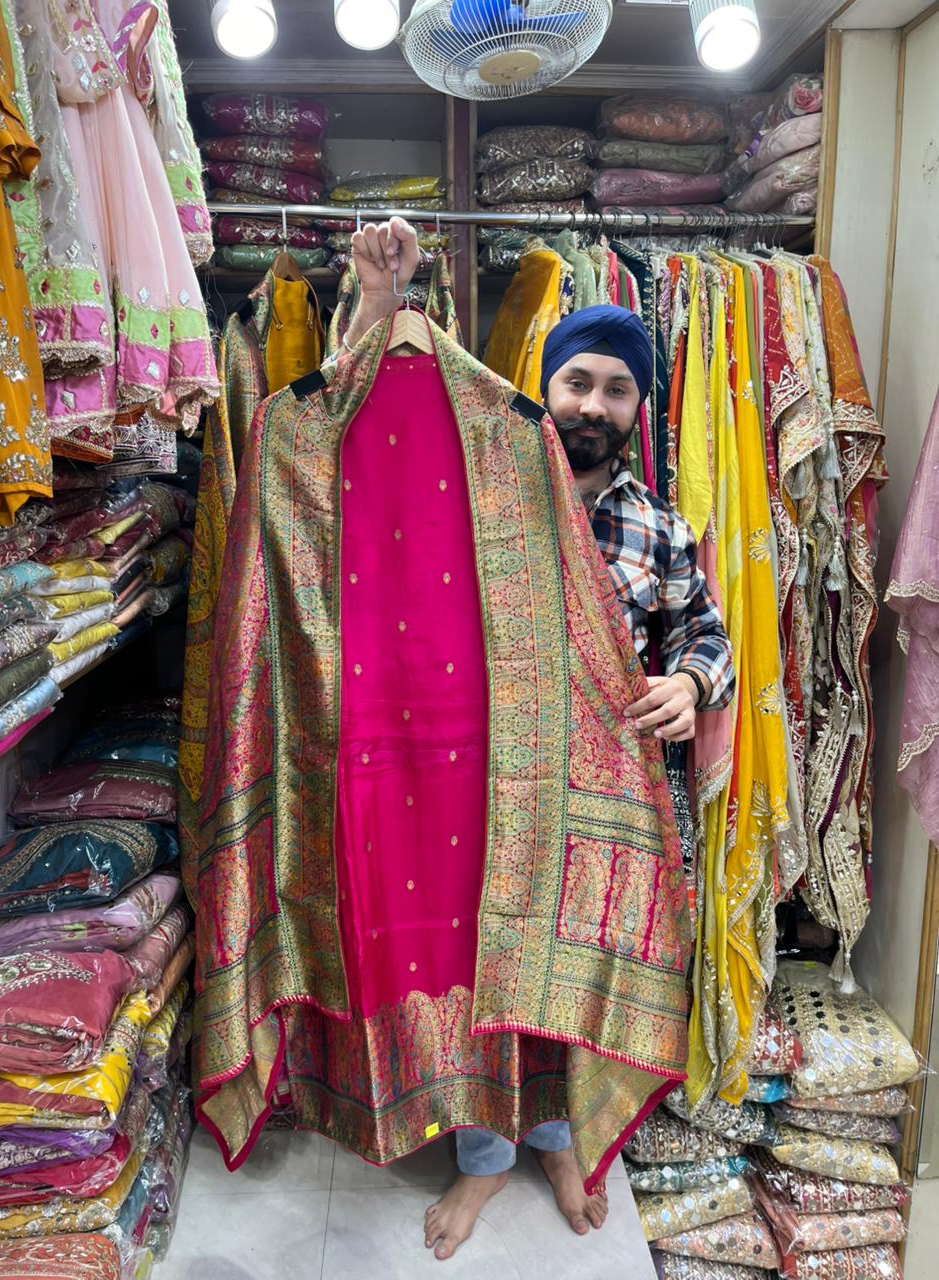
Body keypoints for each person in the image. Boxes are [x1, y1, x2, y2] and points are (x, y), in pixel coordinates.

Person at [336, 216, 735, 1262]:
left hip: (599, 804)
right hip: (483, 790)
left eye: (615, 389)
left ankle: (561, 1143)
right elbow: (368, 441)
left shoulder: (662, 527)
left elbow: (707, 634)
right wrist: (383, 305)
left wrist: (692, 682)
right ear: (545, 387)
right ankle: (481, 1163)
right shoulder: (485, 479)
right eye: (577, 383)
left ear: (640, 407)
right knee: (487, 980)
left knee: (575, 986)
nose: (593, 405)